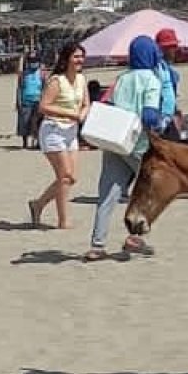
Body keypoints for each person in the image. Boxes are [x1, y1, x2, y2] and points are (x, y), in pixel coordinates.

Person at [84, 35, 163, 261]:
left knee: (107, 194)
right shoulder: (151, 80)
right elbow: (149, 114)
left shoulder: (122, 78)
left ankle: (97, 244)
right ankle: (134, 237)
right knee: (149, 192)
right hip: (137, 145)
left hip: (113, 140)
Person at [28, 42, 88, 229]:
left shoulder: (81, 79)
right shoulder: (56, 80)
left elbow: (86, 103)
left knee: (71, 178)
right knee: (64, 175)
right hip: (53, 130)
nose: (80, 60)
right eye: (76, 57)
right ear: (66, 59)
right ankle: (63, 220)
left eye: (81, 57)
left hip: (71, 132)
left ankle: (38, 204)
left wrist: (82, 115)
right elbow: (44, 106)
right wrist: (70, 114)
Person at [154, 28, 182, 139]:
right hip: (162, 121)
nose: (175, 50)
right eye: (172, 47)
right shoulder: (159, 69)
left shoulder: (166, 68)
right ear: (164, 49)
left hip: (168, 118)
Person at [16, 51, 45, 149]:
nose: (34, 63)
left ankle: (37, 142)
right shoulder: (24, 74)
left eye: (35, 61)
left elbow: (45, 88)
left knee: (37, 123)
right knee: (24, 122)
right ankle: (25, 142)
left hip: (38, 100)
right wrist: (18, 101)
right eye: (31, 61)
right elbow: (19, 88)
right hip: (25, 101)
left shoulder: (42, 73)